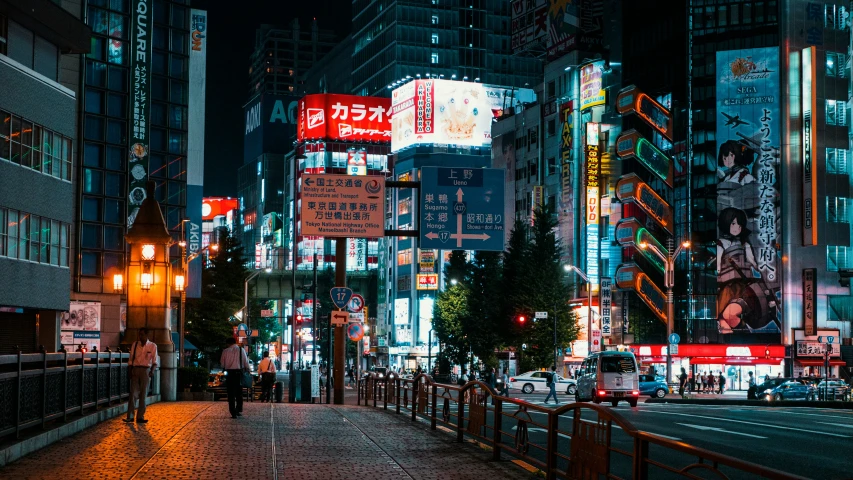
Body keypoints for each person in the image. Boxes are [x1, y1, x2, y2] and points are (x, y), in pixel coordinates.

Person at [124, 328, 157, 424]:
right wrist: (130, 370)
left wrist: (152, 371)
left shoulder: (152, 346)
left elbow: (155, 361)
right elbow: (131, 359)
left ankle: (140, 416)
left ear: (147, 335)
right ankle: (130, 416)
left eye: (142, 334)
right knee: (133, 393)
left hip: (146, 370)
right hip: (136, 368)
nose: (140, 336)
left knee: (143, 394)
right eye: (139, 334)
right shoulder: (135, 345)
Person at [220, 337, 250, 419]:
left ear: (228, 343)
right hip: (239, 373)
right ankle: (238, 410)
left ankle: (233, 412)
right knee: (239, 392)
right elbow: (245, 362)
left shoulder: (225, 351)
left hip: (229, 373)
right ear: (235, 342)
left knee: (231, 393)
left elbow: (222, 364)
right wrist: (248, 369)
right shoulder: (241, 350)